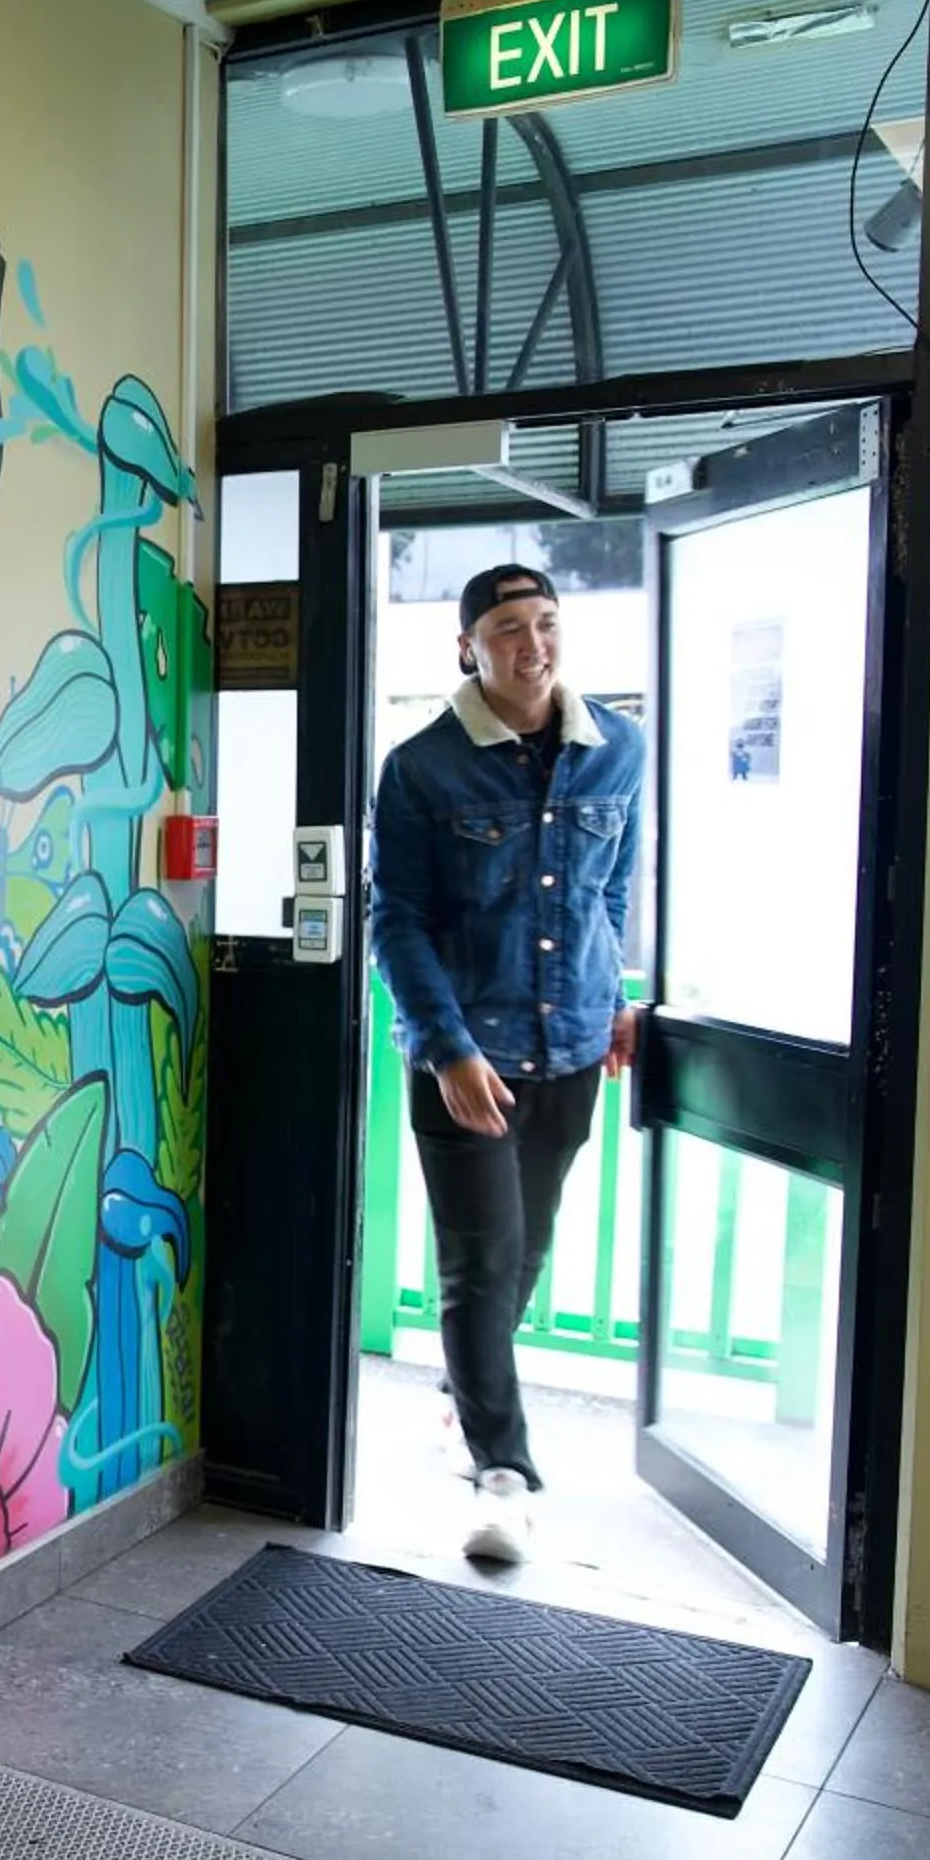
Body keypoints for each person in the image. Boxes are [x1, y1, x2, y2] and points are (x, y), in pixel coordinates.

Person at [369, 564, 645, 1565]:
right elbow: (395, 920)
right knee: (480, 1266)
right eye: (509, 628)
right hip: (467, 1057)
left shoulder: (619, 747)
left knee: (525, 1250)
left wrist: (618, 999)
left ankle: (463, 1392)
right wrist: (445, 1047)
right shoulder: (422, 769)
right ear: (467, 647)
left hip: (571, 1047)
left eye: (547, 622)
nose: (534, 643)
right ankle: (504, 1474)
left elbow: (616, 894)